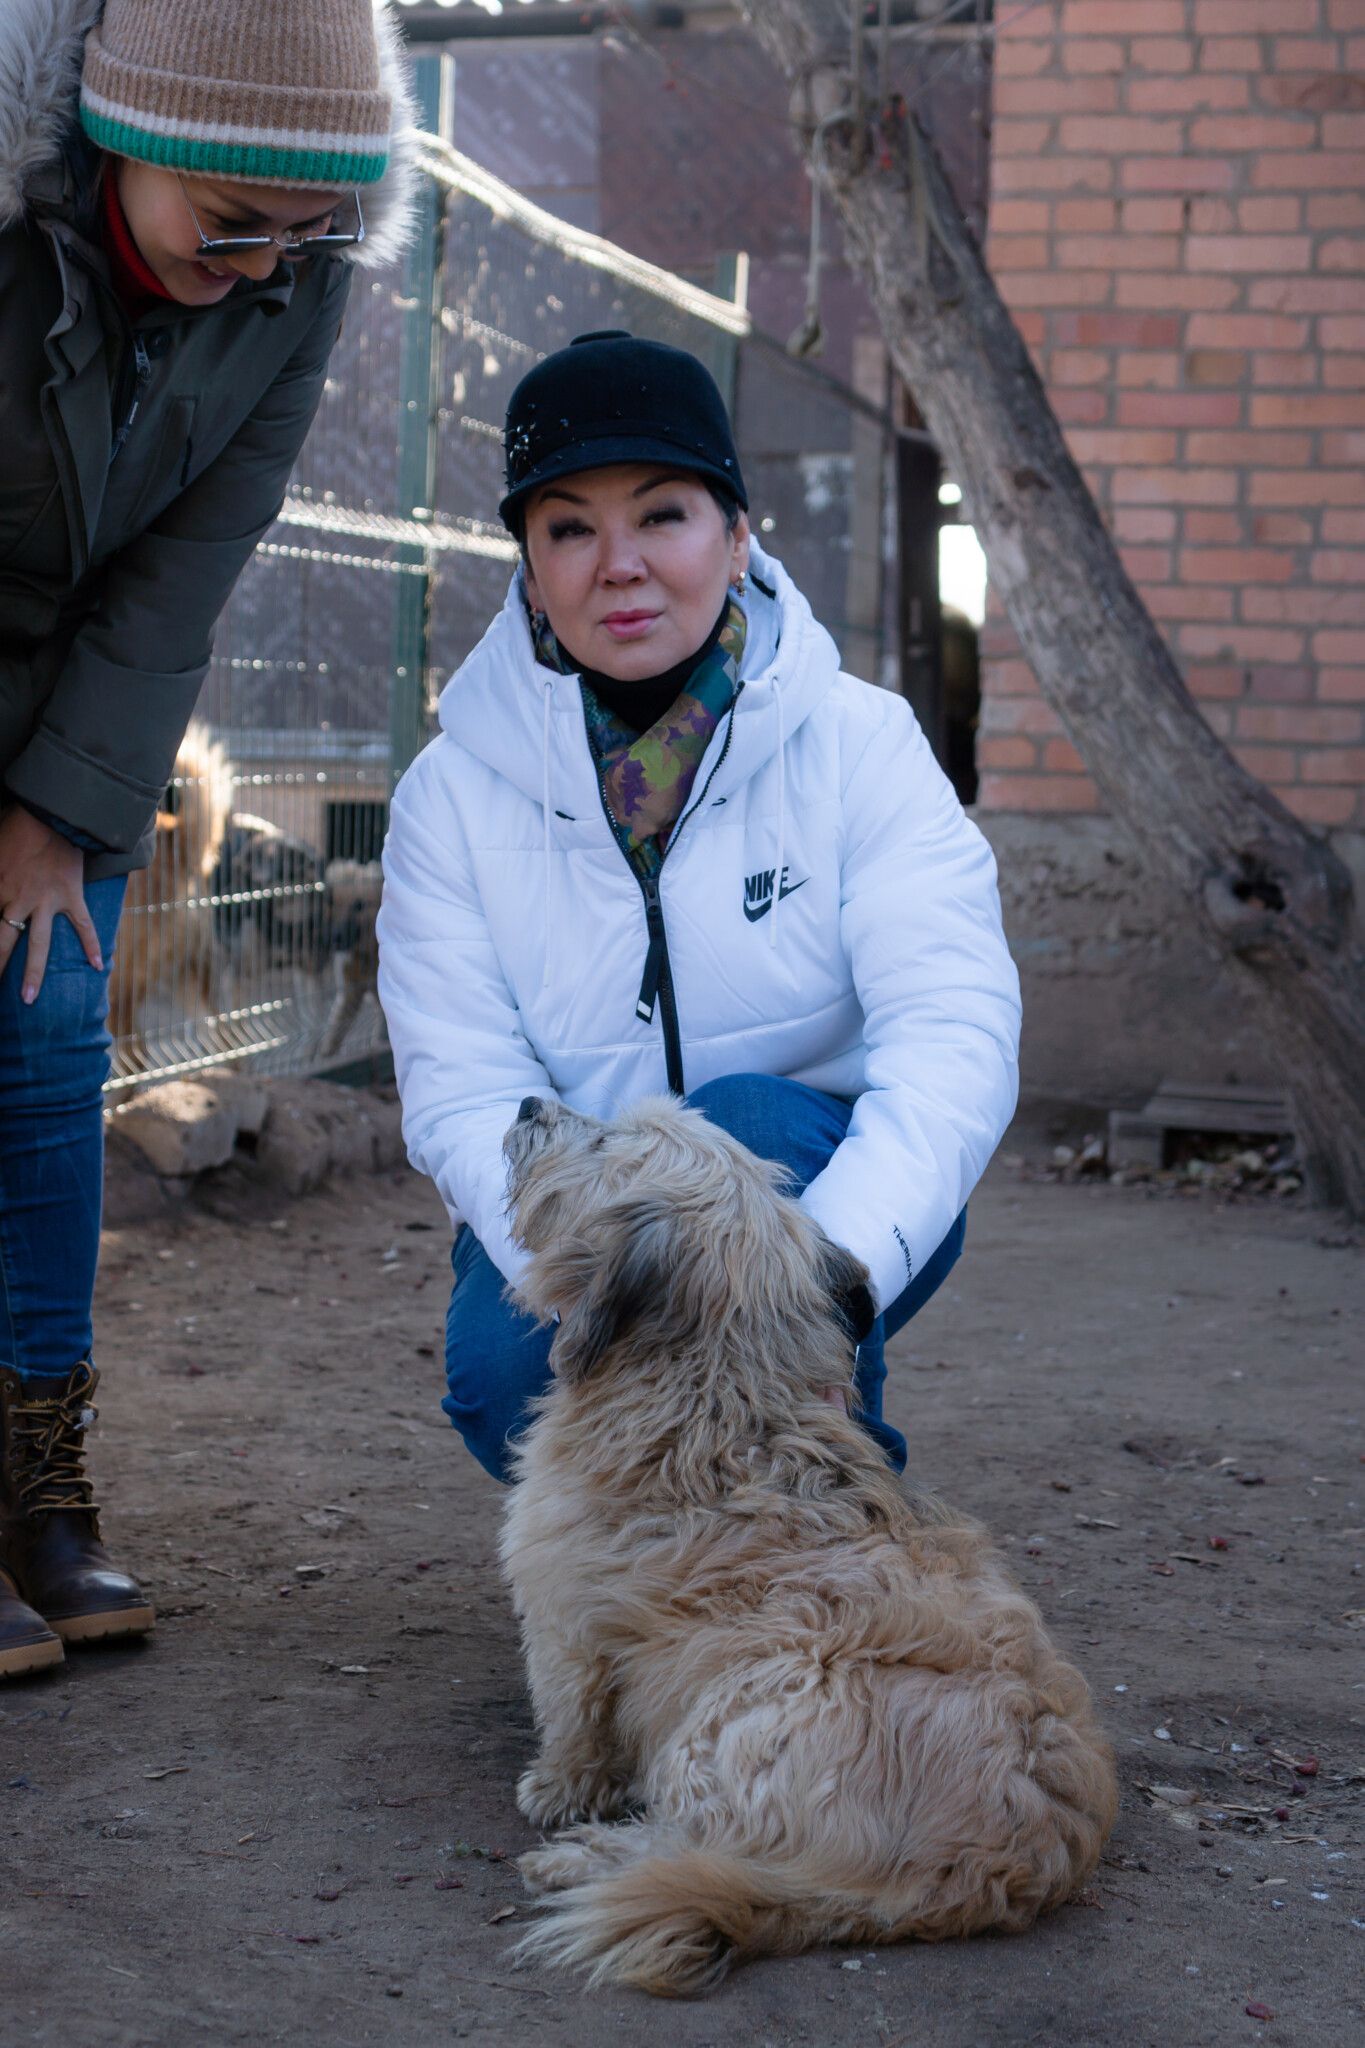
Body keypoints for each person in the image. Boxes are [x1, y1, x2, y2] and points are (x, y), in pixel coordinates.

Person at [377, 331, 1021, 1486]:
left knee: (742, 1124)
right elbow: (463, 1085)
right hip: (584, 1207)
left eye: (663, 514)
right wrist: (589, 1265)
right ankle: (652, 1572)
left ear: (735, 538)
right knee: (501, 1381)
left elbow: (952, 1035)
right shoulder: (449, 797)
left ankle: (829, 1525)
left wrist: (829, 1283)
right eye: (570, 527)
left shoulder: (859, 744)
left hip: (816, 1178)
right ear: (529, 568)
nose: (617, 563)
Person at [0, 0, 416, 1680]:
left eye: (309, 229)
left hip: (74, 718)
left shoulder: (293, 286)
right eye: (227, 221)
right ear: (112, 131)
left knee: (39, 1059)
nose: (264, 265)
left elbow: (183, 567)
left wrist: (49, 817)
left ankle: (39, 1489)